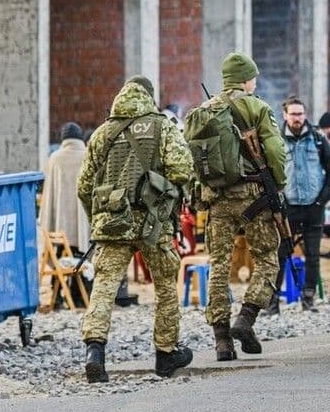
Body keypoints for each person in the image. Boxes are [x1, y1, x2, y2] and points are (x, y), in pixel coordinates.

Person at [76, 76, 194, 382]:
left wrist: (98, 218)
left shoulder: (102, 133)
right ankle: (166, 354)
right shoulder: (162, 126)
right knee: (166, 282)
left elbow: (84, 186)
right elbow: (182, 169)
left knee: (104, 287)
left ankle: (95, 352)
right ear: (149, 98)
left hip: (112, 220)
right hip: (151, 221)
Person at [203, 53, 286, 359]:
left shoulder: (205, 110)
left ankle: (222, 341)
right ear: (245, 79)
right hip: (253, 194)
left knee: (218, 266)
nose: (256, 81)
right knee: (267, 258)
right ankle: (246, 318)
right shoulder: (257, 106)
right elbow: (275, 150)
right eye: (253, 77)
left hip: (216, 199)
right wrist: (279, 183)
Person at [276, 96, 330, 313]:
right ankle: (272, 302)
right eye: (293, 114)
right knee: (280, 254)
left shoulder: (318, 140)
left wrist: (321, 200)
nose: (297, 118)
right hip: (288, 208)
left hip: (313, 206)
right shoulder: (277, 140)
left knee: (313, 256)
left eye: (300, 114)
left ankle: (308, 299)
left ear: (305, 115)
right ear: (285, 115)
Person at [40, 121, 90, 253]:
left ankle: (58, 272)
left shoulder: (54, 158)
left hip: (59, 228)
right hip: (83, 226)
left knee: (60, 257)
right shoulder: (88, 156)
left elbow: (48, 194)